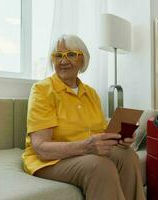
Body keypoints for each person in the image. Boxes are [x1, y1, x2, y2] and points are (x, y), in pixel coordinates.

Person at [22, 34, 145, 200]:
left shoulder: (91, 93)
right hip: (50, 160)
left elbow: (101, 132)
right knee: (100, 167)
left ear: (83, 60)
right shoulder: (42, 90)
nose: (63, 61)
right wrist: (87, 146)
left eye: (71, 54)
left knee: (128, 156)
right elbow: (42, 148)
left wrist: (120, 139)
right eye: (58, 56)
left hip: (84, 153)